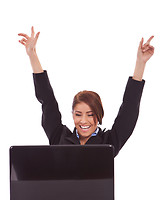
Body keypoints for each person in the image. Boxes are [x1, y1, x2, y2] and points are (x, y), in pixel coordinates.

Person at [18, 27, 154, 157]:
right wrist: (32, 55)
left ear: (99, 115)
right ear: (72, 115)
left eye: (90, 115)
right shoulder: (59, 137)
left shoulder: (109, 143)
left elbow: (129, 109)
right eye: (78, 114)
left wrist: (140, 63)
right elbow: (47, 100)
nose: (84, 121)